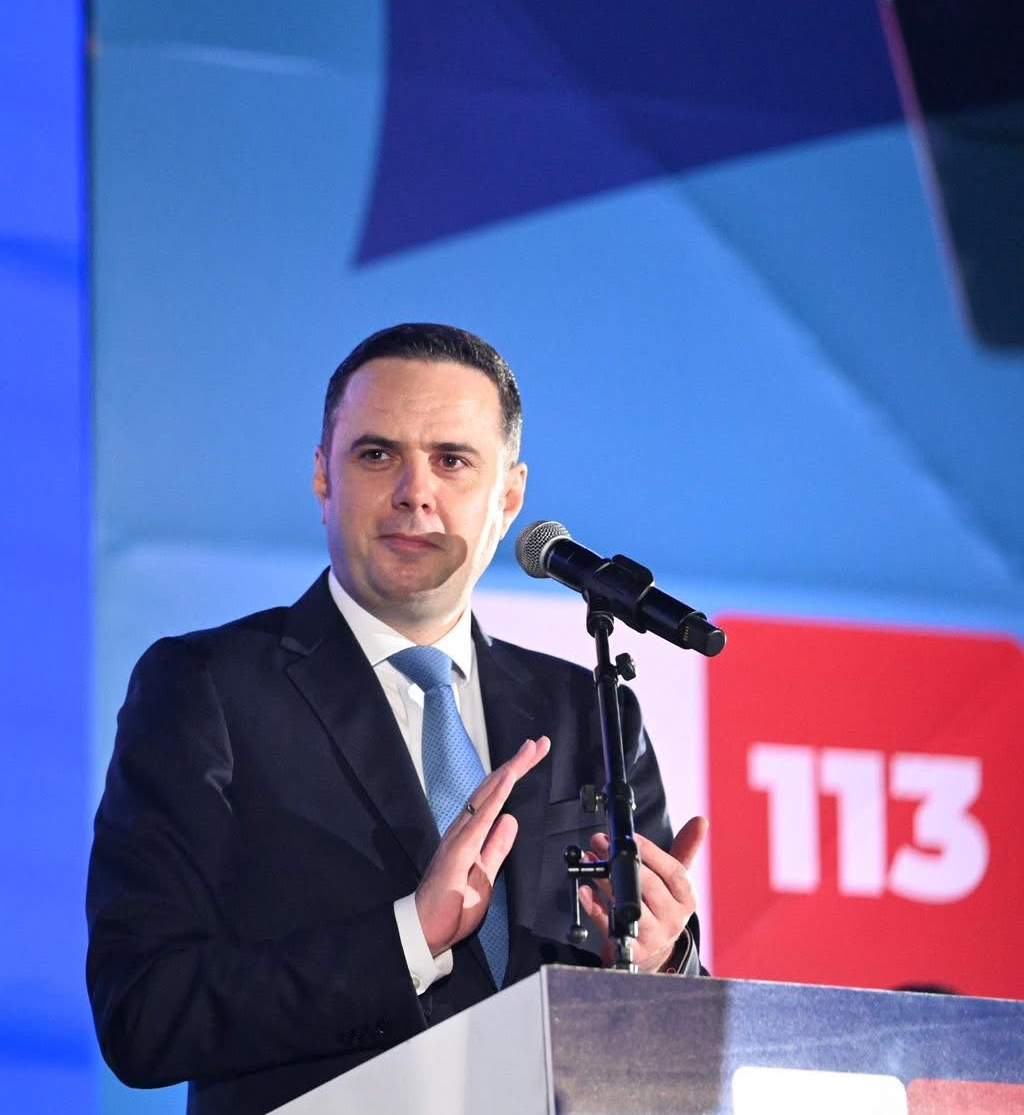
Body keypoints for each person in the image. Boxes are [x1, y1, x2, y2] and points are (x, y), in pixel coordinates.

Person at [86, 323, 707, 1115]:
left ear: (510, 496)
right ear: (323, 476)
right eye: (377, 455)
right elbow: (144, 1010)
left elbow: (664, 1050)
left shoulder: (588, 711)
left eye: (452, 460)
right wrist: (411, 935)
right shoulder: (208, 688)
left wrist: (663, 964)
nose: (415, 491)